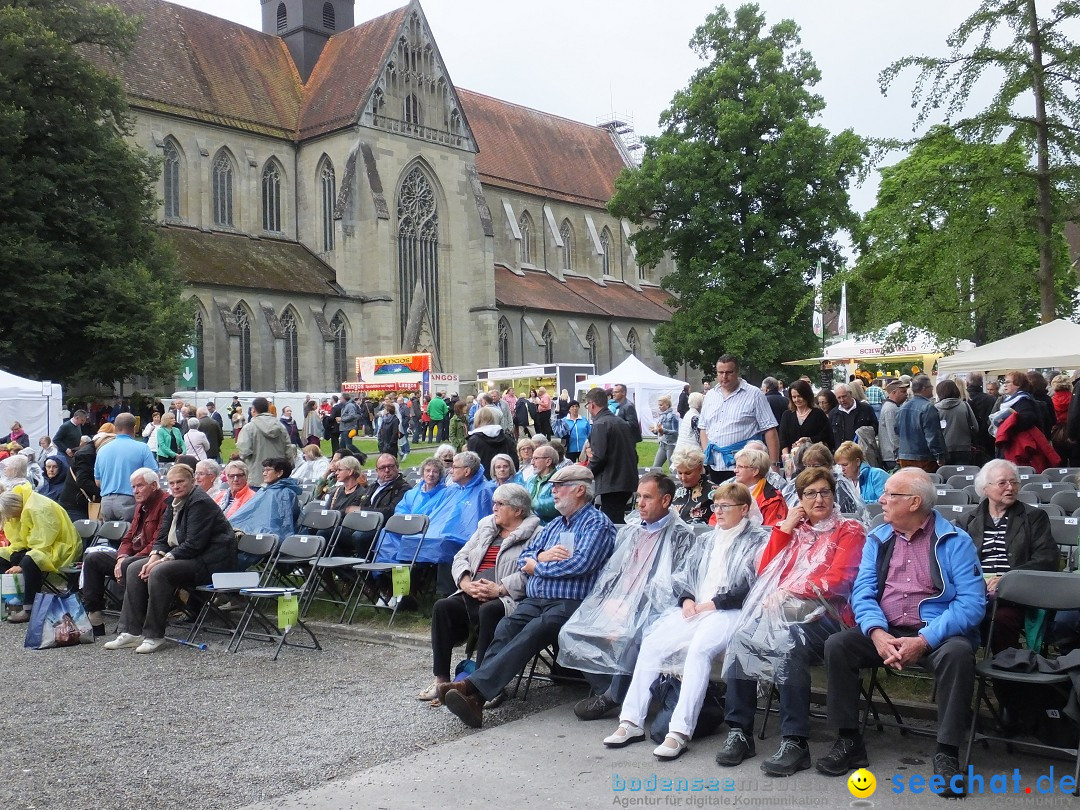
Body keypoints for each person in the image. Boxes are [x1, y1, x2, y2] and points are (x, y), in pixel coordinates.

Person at [817, 470, 983, 798]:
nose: (882, 499)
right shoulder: (878, 538)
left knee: (959, 654)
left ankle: (947, 752)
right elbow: (862, 592)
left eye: (891, 494)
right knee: (838, 645)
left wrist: (925, 640)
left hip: (935, 632)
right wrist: (877, 633)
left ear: (914, 502)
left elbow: (972, 604)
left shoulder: (954, 542)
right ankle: (849, 740)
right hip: (887, 627)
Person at [438, 465, 616, 727]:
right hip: (536, 600)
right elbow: (525, 558)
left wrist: (538, 566)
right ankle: (476, 696)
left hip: (572, 603)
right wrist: (540, 557)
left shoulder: (597, 523)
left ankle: (471, 688)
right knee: (507, 627)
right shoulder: (554, 524)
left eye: (559, 486)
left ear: (580, 490)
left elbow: (580, 564)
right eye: (552, 486)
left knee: (534, 630)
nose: (552, 491)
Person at [716, 468, 865, 776]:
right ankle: (739, 731)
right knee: (742, 636)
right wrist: (784, 528)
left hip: (831, 616)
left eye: (825, 491)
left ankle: (795, 741)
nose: (819, 498)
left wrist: (792, 591)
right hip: (785, 612)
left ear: (834, 495)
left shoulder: (849, 530)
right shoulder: (795, 530)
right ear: (799, 500)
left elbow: (840, 579)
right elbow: (765, 572)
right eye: (810, 493)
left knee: (789, 642)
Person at [603, 482, 770, 758]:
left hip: (729, 612)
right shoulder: (707, 540)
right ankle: (631, 721)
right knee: (653, 642)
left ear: (744, 509)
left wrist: (712, 604)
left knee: (699, 650)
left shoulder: (756, 540)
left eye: (725, 506)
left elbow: (750, 586)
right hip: (699, 608)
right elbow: (685, 575)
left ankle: (679, 730)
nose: (718, 511)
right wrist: (688, 600)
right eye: (716, 505)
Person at [560, 473, 695, 722]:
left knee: (634, 632)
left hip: (657, 608)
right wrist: (612, 602)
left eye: (647, 498)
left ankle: (613, 696)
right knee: (572, 630)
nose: (640, 504)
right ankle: (613, 689)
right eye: (638, 497)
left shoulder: (681, 535)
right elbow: (612, 574)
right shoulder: (632, 530)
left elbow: (673, 586)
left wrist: (630, 609)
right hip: (622, 601)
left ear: (666, 500)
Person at [418, 483, 542, 701]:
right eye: (494, 502)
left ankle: (483, 685)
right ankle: (441, 681)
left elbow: (533, 571)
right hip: (472, 590)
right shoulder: (486, 526)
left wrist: (501, 588)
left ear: (518, 510)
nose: (493, 507)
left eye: (499, 504)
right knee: (443, 606)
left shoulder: (538, 534)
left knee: (490, 610)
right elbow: (460, 557)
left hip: (507, 597)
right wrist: (465, 583)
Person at [103, 464, 236, 654]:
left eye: (180, 482)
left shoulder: (200, 502)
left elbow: (194, 544)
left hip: (209, 561)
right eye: (172, 483)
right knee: (134, 567)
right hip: (185, 557)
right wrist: (153, 557)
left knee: (159, 572)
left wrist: (163, 560)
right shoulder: (172, 502)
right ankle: (131, 632)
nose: (175, 486)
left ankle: (154, 635)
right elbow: (162, 537)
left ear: (192, 481)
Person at [959, 460, 1056, 654]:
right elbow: (955, 561)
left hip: (1016, 593)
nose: (1010, 487)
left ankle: (1006, 676)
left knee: (1001, 619)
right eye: (1002, 483)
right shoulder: (967, 521)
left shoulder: (1034, 517)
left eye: (1014, 482)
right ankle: (964, 671)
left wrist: (1008, 578)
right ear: (985, 488)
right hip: (975, 591)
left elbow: (1047, 559)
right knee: (960, 617)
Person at [82, 467, 168, 636]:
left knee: (130, 565)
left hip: (152, 558)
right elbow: (128, 537)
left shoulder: (165, 505)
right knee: (93, 559)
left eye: (140, 486)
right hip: (132, 556)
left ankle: (131, 625)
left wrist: (128, 559)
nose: (135, 491)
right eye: (133, 487)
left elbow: (158, 542)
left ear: (154, 485)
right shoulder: (140, 506)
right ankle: (95, 618)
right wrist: (121, 556)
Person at [0, 483, 80, 622]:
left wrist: (20, 565)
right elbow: (20, 541)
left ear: (14, 508)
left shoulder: (39, 509)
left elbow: (44, 542)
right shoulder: (21, 509)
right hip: (38, 545)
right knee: (2, 555)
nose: (11, 519)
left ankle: (29, 608)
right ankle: (7, 603)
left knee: (29, 561)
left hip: (60, 547)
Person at [699, 355, 779, 484]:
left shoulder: (754, 394)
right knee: (719, 502)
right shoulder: (710, 396)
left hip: (746, 467)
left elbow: (770, 429)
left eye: (729, 372)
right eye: (720, 372)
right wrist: (706, 453)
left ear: (737, 372)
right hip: (715, 465)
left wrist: (774, 464)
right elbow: (703, 427)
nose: (724, 376)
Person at [585, 387, 639, 525]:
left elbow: (599, 457)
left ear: (592, 404)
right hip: (627, 480)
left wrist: (584, 474)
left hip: (612, 482)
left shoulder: (600, 424)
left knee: (612, 523)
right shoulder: (620, 422)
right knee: (617, 520)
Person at [229, 457, 301, 542]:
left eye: (268, 470)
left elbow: (280, 523)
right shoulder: (265, 490)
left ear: (280, 473)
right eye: (263, 470)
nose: (264, 473)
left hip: (267, 535)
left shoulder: (285, 494)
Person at [237, 397, 291, 486]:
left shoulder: (248, 428)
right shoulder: (281, 427)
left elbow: (244, 452)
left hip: (256, 478)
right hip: (278, 477)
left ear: (253, 410)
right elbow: (289, 452)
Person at [897, 374, 946, 473]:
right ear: (924, 388)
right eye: (931, 387)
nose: (932, 390)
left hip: (904, 456)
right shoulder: (928, 407)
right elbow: (932, 435)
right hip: (923, 458)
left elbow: (897, 430)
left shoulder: (902, 407)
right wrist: (940, 455)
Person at [733, 446, 788, 528]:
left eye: (740, 467)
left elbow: (771, 531)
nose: (735, 470)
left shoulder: (772, 499)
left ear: (755, 471)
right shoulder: (730, 493)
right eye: (736, 466)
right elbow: (714, 522)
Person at [778, 379, 832, 455]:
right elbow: (783, 440)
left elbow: (826, 436)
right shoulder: (787, 415)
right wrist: (786, 457)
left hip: (814, 458)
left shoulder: (818, 414)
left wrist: (808, 440)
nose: (796, 400)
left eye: (799, 396)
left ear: (807, 395)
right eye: (794, 397)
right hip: (793, 459)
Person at [935, 380, 979, 465]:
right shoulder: (965, 406)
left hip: (943, 449)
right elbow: (975, 427)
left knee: (945, 474)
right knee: (963, 475)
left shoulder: (935, 408)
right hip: (964, 448)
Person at [670, 446, 716, 525]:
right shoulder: (674, 490)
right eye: (680, 473)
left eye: (688, 473)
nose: (683, 478)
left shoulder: (714, 493)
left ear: (699, 468)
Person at [466, 406, 517, 476]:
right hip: (505, 478)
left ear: (476, 420)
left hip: (483, 481)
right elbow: (515, 462)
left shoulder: (473, 441)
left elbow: (471, 465)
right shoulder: (507, 438)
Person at [829, 384, 878, 449]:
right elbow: (831, 436)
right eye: (839, 397)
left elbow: (875, 428)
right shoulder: (834, 413)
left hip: (862, 451)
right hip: (842, 453)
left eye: (844, 396)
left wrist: (864, 433)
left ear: (850, 394)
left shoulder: (865, 409)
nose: (842, 400)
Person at [877, 380, 908, 472]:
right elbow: (894, 435)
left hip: (891, 455)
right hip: (892, 456)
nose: (906, 394)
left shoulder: (891, 406)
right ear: (893, 393)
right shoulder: (891, 409)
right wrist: (899, 454)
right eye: (903, 392)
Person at [966, 373, 997, 463]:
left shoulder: (965, 399)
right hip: (988, 438)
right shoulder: (991, 399)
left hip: (971, 440)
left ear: (967, 383)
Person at [527, 444, 559, 524]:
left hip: (549, 526)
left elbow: (556, 505)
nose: (532, 463)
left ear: (548, 461)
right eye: (532, 459)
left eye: (536, 458)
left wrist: (529, 505)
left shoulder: (559, 480)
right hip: (529, 524)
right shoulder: (530, 480)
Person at [652, 395, 680, 470]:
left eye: (661, 405)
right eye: (659, 405)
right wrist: (655, 431)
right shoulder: (661, 416)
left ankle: (676, 481)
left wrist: (663, 431)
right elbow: (660, 431)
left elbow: (676, 432)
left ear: (667, 405)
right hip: (662, 444)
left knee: (672, 469)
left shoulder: (673, 416)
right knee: (655, 467)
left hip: (671, 445)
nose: (659, 407)